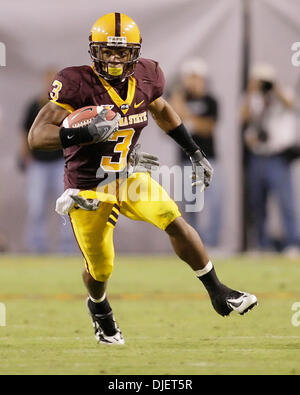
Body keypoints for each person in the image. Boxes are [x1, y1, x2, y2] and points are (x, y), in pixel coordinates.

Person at [28, 13, 257, 345]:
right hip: (88, 187)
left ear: (135, 52)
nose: (116, 59)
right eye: (108, 51)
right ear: (94, 51)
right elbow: (37, 136)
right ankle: (99, 307)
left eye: (123, 52)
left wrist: (193, 151)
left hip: (127, 176)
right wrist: (77, 134)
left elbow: (161, 110)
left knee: (173, 219)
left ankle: (218, 290)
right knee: (101, 268)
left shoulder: (149, 76)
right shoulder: (76, 82)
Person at [241, 63, 299, 256]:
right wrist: (251, 92)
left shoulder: (283, 94)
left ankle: (292, 243)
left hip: (278, 156)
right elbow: (243, 117)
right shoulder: (253, 98)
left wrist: (274, 87)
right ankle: (261, 244)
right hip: (258, 155)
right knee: (257, 203)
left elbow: (291, 105)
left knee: (285, 202)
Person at [18, 68, 76, 254]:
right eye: (49, 80)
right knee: (36, 206)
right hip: (38, 163)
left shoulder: (66, 106)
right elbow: (26, 133)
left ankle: (67, 248)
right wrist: (23, 155)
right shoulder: (35, 105)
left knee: (67, 207)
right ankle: (37, 247)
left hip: (61, 163)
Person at [169, 58, 221, 247]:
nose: (194, 81)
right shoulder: (178, 100)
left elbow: (206, 128)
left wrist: (188, 118)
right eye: (191, 77)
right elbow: (173, 121)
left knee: (213, 205)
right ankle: (192, 246)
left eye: (197, 77)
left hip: (209, 160)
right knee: (189, 206)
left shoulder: (210, 101)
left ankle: (212, 245)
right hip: (185, 161)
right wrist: (179, 99)